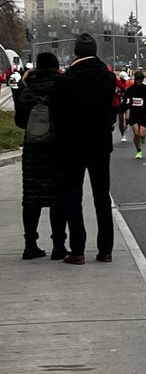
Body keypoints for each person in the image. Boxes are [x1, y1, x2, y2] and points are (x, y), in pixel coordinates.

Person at [51, 33, 116, 265]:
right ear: (95, 51)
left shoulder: (65, 80)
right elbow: (113, 111)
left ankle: (78, 250)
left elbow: (55, 114)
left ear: (76, 52)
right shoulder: (108, 78)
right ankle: (106, 250)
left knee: (73, 196)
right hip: (100, 144)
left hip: (72, 145)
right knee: (101, 197)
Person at [13, 52, 68, 260]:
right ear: (56, 66)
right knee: (58, 199)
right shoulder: (62, 86)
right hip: (58, 149)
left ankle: (30, 245)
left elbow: (19, 121)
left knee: (31, 199)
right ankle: (59, 245)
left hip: (33, 151)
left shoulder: (26, 89)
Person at [122, 71, 146, 159]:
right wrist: (126, 106)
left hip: (143, 114)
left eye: (142, 79)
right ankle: (138, 151)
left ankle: (144, 136)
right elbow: (125, 100)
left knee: (141, 135)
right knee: (136, 133)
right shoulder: (130, 89)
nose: (141, 80)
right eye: (139, 79)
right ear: (135, 79)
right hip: (133, 114)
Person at [113, 71, 133, 142]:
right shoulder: (117, 83)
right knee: (121, 121)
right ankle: (123, 135)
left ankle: (127, 125)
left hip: (127, 103)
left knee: (128, 118)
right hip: (119, 104)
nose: (125, 80)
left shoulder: (129, 82)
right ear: (120, 78)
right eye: (123, 79)